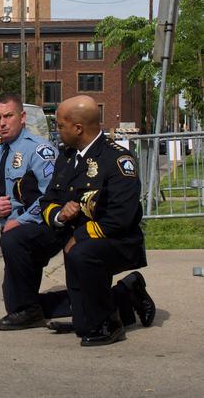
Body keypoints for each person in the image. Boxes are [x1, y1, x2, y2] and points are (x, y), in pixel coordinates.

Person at [40, 95, 155, 346]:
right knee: (83, 325)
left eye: (60, 125)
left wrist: (79, 236)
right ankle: (127, 292)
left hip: (118, 241)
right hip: (79, 240)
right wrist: (61, 214)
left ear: (77, 128)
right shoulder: (68, 157)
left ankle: (109, 324)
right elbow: (47, 201)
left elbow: (120, 219)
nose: (57, 131)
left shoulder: (117, 160)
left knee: (82, 254)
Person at [0, 93, 66, 331]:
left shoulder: (39, 150)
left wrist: (22, 221)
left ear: (22, 117)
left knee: (20, 304)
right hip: (13, 233)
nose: (2, 123)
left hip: (43, 228)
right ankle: (113, 297)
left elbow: (51, 197)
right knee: (13, 302)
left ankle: (29, 310)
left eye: (8, 116)